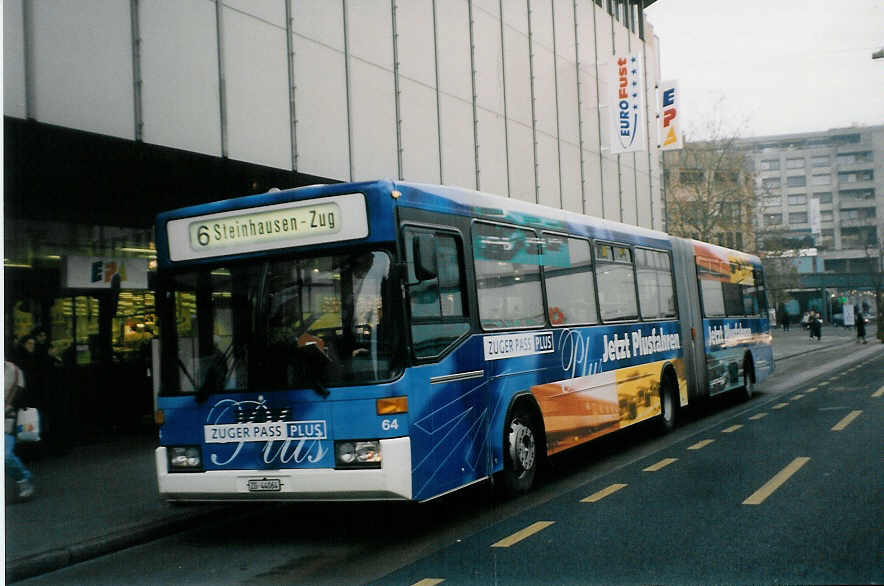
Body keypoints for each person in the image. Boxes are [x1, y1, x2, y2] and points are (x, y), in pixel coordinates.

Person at [5, 361, 35, 502]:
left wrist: (10, 408)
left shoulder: (14, 370)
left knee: (5, 456)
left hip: (7, 419)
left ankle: (23, 479)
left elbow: (21, 394)